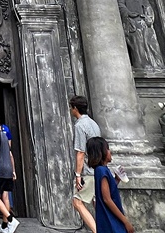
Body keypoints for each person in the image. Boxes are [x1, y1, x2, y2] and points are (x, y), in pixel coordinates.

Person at [87, 137, 133, 233]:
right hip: (110, 219)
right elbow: (107, 199)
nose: (109, 151)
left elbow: (107, 191)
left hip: (110, 219)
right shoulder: (101, 170)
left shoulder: (102, 170)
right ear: (101, 152)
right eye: (107, 149)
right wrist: (126, 221)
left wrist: (116, 180)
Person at [69, 95, 101, 233]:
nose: (71, 110)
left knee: (77, 201)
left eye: (71, 107)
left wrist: (77, 175)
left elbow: (81, 152)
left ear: (75, 108)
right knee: (96, 203)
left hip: (88, 171)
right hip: (98, 169)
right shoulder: (93, 123)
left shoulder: (80, 125)